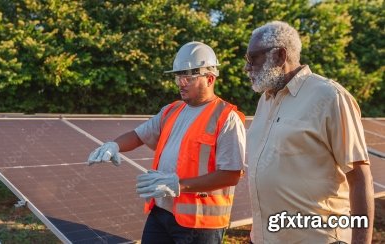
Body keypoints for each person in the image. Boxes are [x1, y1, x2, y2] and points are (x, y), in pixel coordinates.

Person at [88, 41, 246, 243]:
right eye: (178, 76)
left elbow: (231, 175)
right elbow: (138, 135)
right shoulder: (171, 110)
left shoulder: (226, 118)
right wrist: (114, 145)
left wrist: (177, 184)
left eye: (188, 77)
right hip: (161, 212)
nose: (181, 82)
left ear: (210, 78)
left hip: (200, 224)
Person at [244, 21, 374, 243]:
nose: (247, 68)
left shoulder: (330, 97)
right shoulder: (265, 100)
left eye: (253, 59)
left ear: (279, 55)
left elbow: (360, 178)